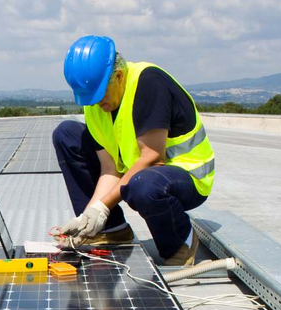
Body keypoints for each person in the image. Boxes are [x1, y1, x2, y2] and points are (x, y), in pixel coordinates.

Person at [52, 35, 215, 266]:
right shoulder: (95, 104)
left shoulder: (149, 83)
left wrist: (101, 207)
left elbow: (151, 158)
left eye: (100, 96)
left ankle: (180, 242)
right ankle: (111, 230)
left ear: (118, 76)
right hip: (140, 174)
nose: (97, 104)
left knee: (143, 185)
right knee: (66, 133)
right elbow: (109, 169)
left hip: (184, 177)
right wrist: (88, 218)